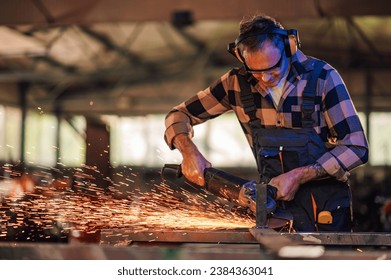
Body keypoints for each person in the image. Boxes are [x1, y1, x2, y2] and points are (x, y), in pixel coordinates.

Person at [164, 14, 368, 232]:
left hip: (324, 209)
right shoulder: (235, 84)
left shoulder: (322, 77)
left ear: (289, 47)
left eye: (272, 70)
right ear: (241, 57)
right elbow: (178, 115)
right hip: (274, 210)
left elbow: (356, 147)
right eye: (256, 72)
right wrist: (188, 151)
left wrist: (299, 175)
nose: (265, 80)